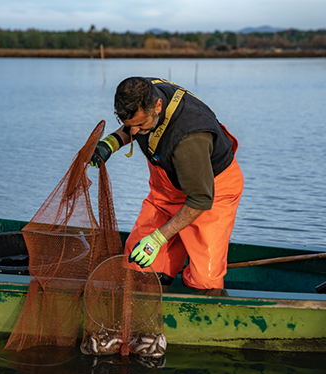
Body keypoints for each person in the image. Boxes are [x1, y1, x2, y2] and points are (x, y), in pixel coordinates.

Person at [91, 77, 244, 290]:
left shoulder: (189, 139)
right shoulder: (145, 91)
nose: (134, 132)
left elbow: (200, 200)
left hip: (211, 194)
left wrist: (157, 238)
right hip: (167, 192)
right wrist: (111, 143)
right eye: (129, 126)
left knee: (205, 282)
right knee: (137, 266)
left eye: (140, 125)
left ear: (158, 106)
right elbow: (133, 124)